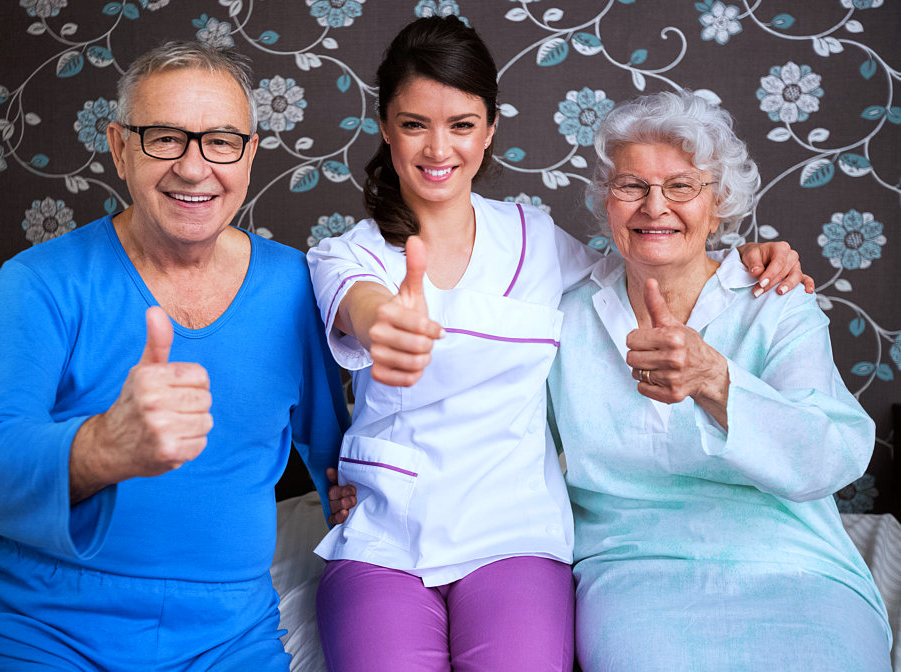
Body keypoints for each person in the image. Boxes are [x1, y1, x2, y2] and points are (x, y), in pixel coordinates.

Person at [307, 17, 809, 672]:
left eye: (460, 124)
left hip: (514, 534)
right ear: (383, 126)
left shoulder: (534, 238)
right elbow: (361, 306)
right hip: (384, 534)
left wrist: (739, 255)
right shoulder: (344, 254)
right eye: (413, 124)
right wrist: (387, 325)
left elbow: (645, 260)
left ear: (488, 130)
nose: (437, 148)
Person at [0, 42, 349, 671]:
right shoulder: (39, 282)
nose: (194, 169)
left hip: (231, 638)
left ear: (249, 153)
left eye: (220, 140)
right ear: (118, 147)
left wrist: (362, 498)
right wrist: (102, 446)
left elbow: (337, 457)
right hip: (49, 629)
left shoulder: (298, 287)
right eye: (165, 137)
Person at [547, 90, 892, 671]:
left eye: (681, 186)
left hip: (795, 563)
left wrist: (715, 378)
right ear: (607, 201)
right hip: (635, 569)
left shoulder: (777, 304)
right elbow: (502, 431)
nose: (654, 206)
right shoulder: (563, 314)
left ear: (721, 201)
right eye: (631, 186)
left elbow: (829, 457)